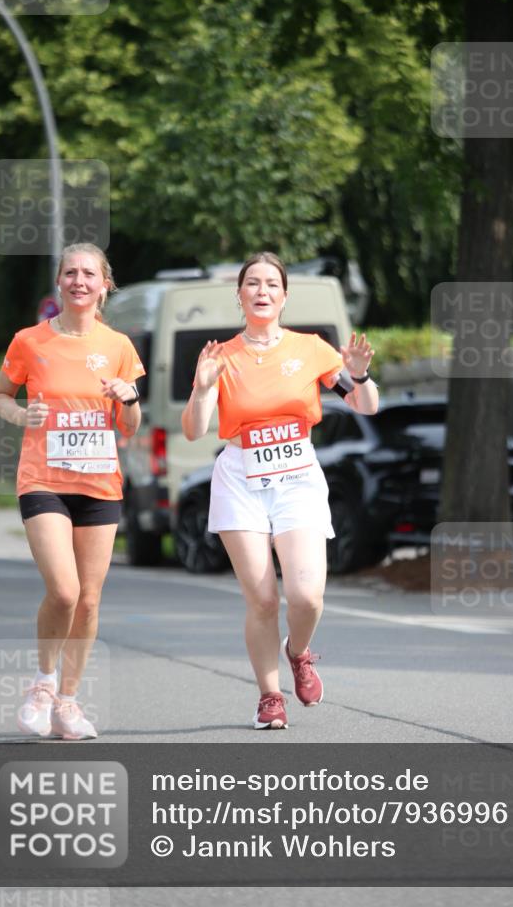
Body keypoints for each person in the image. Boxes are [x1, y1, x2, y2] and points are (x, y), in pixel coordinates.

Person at [182, 252, 378, 729]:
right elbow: (193, 430)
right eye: (253, 283)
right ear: (241, 294)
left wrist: (360, 374)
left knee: (307, 597)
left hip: (297, 478)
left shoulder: (312, 349)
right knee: (264, 600)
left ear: (285, 296)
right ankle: (270, 697)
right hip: (240, 478)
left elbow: (365, 405)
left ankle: (298, 651)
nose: (262, 291)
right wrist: (202, 388)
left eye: (272, 283)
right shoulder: (221, 356)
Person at [0, 243, 145, 740]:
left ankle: (69, 705)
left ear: (105, 285)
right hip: (44, 480)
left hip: (100, 483)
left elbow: (131, 426)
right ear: (59, 282)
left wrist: (130, 398)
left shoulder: (119, 345)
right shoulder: (30, 341)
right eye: (70, 273)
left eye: (89, 274)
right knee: (64, 590)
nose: (80, 281)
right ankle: (42, 684)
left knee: (90, 601)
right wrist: (20, 414)